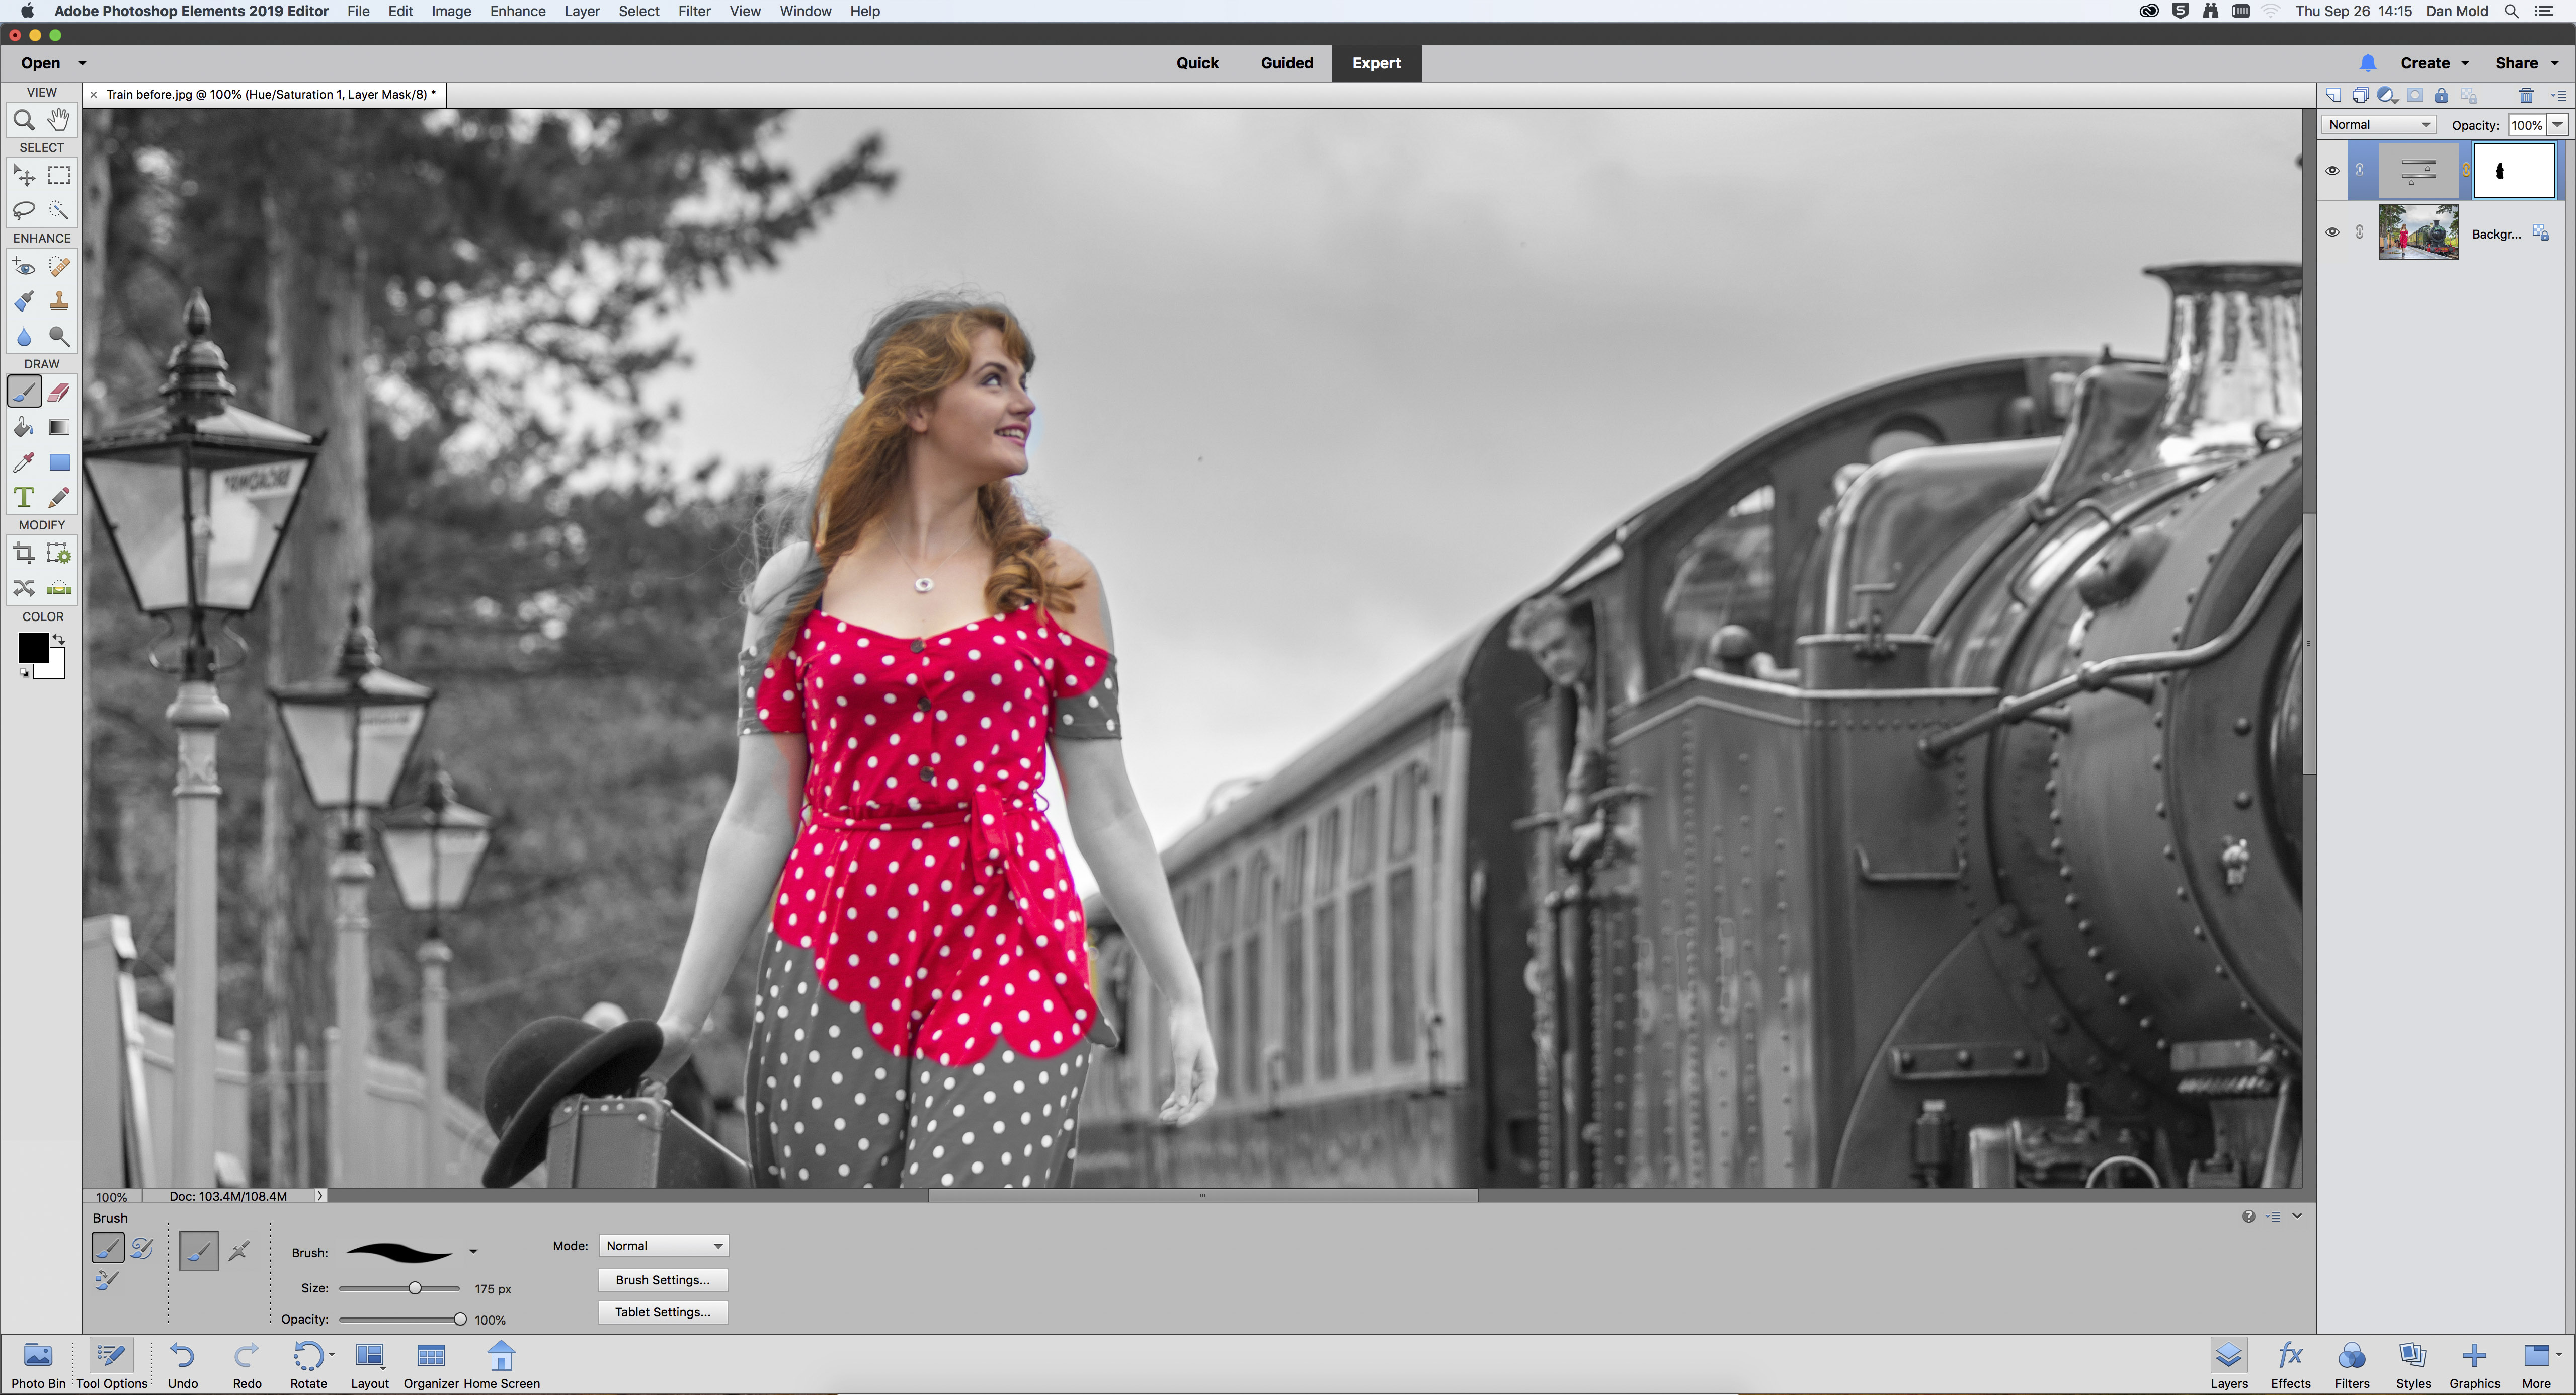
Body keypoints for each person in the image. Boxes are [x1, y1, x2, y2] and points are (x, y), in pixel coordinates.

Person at [645, 296, 1217, 1188]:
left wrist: (1181, 992)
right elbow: (757, 815)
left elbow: (1107, 809)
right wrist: (681, 1020)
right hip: (834, 942)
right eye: (994, 380)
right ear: (914, 406)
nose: (1025, 402)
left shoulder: (1056, 582)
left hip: (1010, 934)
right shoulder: (796, 586)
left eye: (1024, 380)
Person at [1506, 593, 1607, 868]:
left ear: (1584, 631)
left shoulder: (1608, 677)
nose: (1553, 660)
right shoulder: (1584, 692)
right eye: (1542, 655)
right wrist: (1572, 818)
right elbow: (1588, 759)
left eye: (1559, 645)